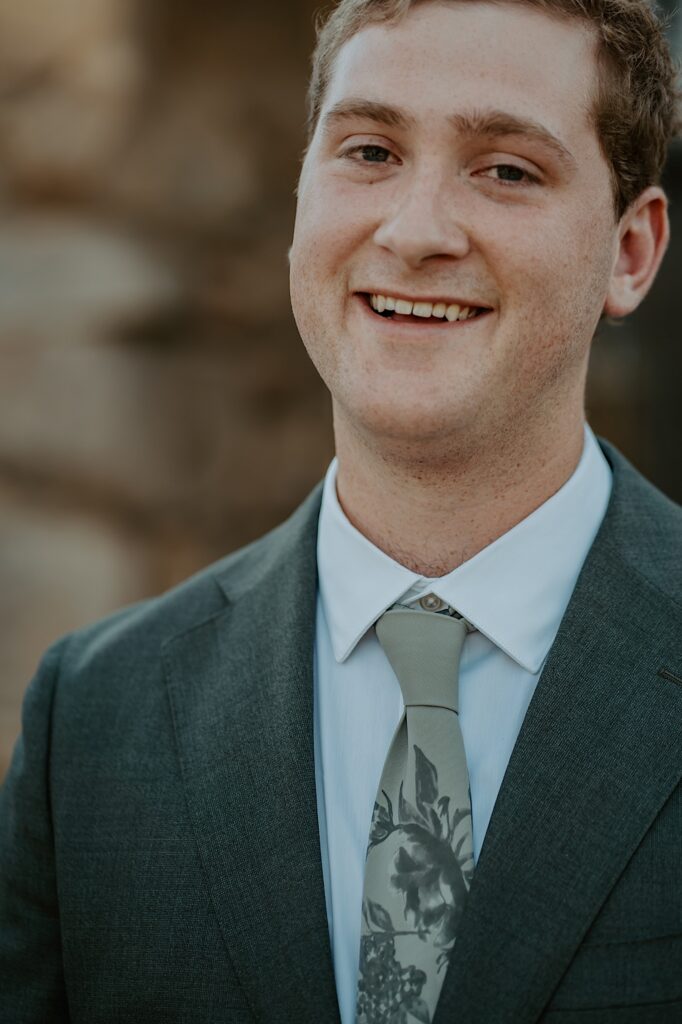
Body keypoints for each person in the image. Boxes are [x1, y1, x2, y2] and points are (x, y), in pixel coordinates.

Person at [1, 0, 680, 1021]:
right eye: (369, 150)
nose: (412, 232)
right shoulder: (95, 719)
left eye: (506, 169)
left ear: (630, 252)